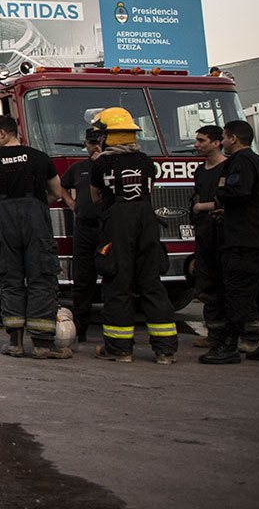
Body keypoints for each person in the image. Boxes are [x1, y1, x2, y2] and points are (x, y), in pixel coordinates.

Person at [89, 107, 178, 365]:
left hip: (117, 226)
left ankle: (119, 350)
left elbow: (96, 197)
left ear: (107, 137)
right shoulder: (146, 162)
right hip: (147, 222)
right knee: (152, 284)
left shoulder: (102, 163)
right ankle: (165, 351)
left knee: (118, 284)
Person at [0, 115, 70, 359]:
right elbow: (56, 191)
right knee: (41, 277)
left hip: (6, 220)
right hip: (36, 220)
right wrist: (35, 203)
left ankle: (15, 343)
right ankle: (43, 344)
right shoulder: (40, 157)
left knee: (10, 278)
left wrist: (9, 203)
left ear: (4, 134)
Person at [201, 120, 259, 364]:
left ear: (233, 139)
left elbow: (238, 191)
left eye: (226, 137)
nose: (224, 142)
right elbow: (255, 199)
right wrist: (229, 212)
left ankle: (228, 346)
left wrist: (219, 202)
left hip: (247, 242)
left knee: (237, 293)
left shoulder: (239, 163)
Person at [189, 125, 259, 350]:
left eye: (201, 141)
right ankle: (215, 333)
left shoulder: (231, 168)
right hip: (205, 234)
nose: (196, 145)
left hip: (227, 234)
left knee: (233, 285)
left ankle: (251, 334)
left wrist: (204, 207)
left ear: (216, 143)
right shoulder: (201, 171)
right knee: (207, 283)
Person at [60, 127, 104, 342]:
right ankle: (81, 330)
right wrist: (71, 203)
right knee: (83, 280)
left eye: (98, 143)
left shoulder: (111, 166)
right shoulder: (79, 169)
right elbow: (61, 186)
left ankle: (115, 329)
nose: (94, 147)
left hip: (108, 227)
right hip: (84, 228)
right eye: (90, 143)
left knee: (114, 278)